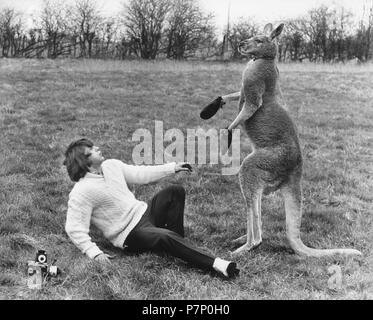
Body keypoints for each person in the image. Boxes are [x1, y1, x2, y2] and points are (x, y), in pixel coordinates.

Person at [63, 138, 240, 278]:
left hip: (144, 213)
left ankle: (176, 245)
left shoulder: (111, 166)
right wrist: (94, 253)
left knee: (174, 192)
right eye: (92, 150)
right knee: (165, 236)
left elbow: (140, 174)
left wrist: (172, 168)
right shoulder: (82, 191)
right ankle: (218, 265)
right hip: (129, 235)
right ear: (84, 161)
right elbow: (74, 228)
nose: (98, 148)